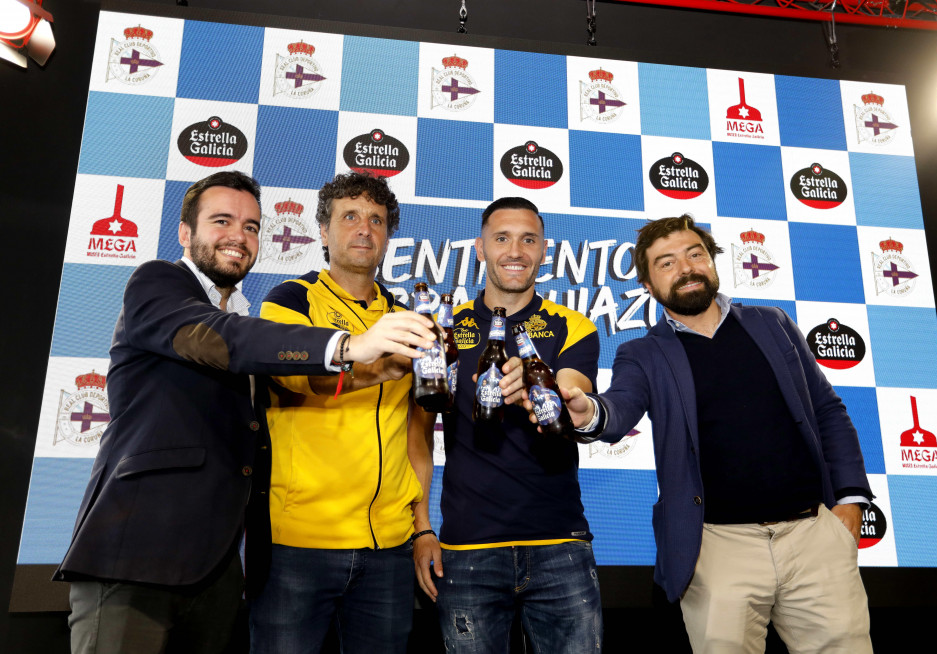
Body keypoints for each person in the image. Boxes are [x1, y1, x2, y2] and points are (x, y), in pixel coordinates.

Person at [55, 171, 435, 654]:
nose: (239, 235)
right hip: (136, 555)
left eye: (252, 226)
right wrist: (349, 345)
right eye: (222, 221)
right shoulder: (160, 283)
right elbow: (223, 340)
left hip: (217, 568)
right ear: (185, 233)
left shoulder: (244, 312)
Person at [561, 214, 874, 653]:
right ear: (648, 285)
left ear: (711, 263)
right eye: (666, 263)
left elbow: (827, 410)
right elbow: (618, 408)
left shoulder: (772, 322)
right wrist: (588, 412)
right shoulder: (643, 353)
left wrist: (850, 502)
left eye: (695, 254)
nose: (686, 267)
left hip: (814, 537)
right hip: (717, 547)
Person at [249, 171, 431, 654]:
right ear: (323, 232)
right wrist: (373, 367)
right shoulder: (289, 299)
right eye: (349, 217)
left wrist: (422, 526)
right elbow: (289, 377)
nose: (364, 229)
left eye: (376, 219)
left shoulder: (409, 316)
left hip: (388, 549)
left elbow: (418, 437)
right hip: (300, 544)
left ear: (389, 236)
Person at [413, 197, 604, 653]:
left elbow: (573, 389)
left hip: (561, 545)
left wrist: (543, 389)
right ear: (480, 248)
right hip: (467, 550)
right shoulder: (442, 331)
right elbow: (416, 435)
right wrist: (421, 530)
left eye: (528, 240)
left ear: (544, 251)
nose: (515, 250)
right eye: (501, 238)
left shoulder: (573, 325)